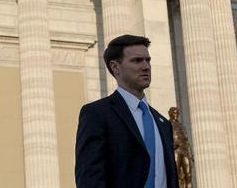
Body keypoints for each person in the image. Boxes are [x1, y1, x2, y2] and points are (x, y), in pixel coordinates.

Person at [75, 34, 179, 188]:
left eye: (147, 60)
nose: (146, 66)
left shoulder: (163, 123)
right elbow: (89, 177)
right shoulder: (97, 114)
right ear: (115, 67)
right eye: (137, 61)